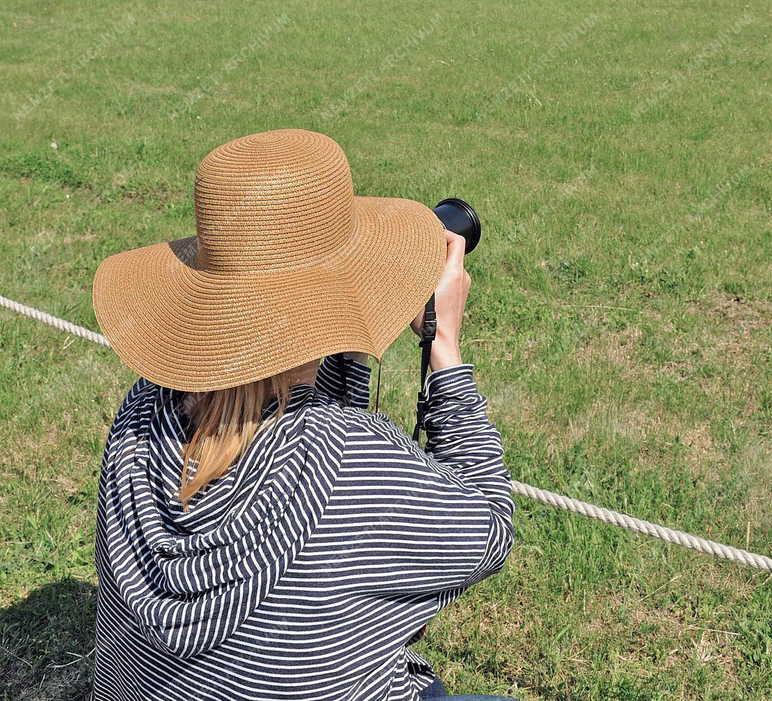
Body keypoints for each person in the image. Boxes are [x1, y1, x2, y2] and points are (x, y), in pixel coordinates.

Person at [91, 129, 515, 701]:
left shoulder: (144, 411)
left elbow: (285, 406)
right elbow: (488, 527)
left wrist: (326, 316)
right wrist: (445, 349)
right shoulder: (350, 459)